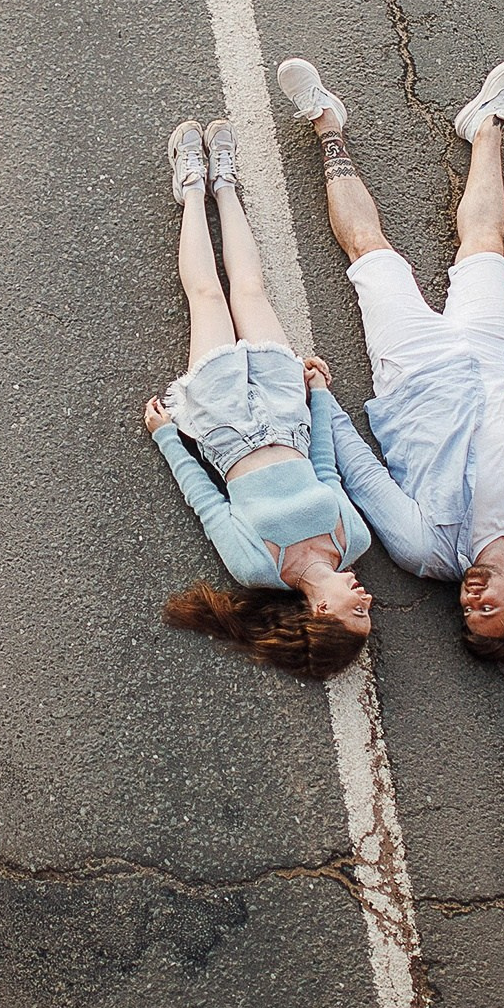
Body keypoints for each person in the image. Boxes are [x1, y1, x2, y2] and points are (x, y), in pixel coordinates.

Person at [275, 55, 504, 661]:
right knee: (485, 244)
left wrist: (321, 401)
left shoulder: (425, 551)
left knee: (369, 251)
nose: (472, 599)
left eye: (468, 612)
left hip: (414, 377)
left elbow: (365, 477)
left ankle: (327, 125)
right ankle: (486, 125)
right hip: (492, 360)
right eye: (490, 608)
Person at [144, 117, 376, 679]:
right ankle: (225, 183)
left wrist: (168, 439)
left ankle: (191, 189)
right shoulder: (355, 541)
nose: (367, 601)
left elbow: (209, 504)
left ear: (320, 613)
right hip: (286, 416)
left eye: (357, 614)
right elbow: (327, 471)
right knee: (251, 289)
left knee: (206, 297)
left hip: (225, 429)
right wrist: (318, 396)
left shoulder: (257, 569)